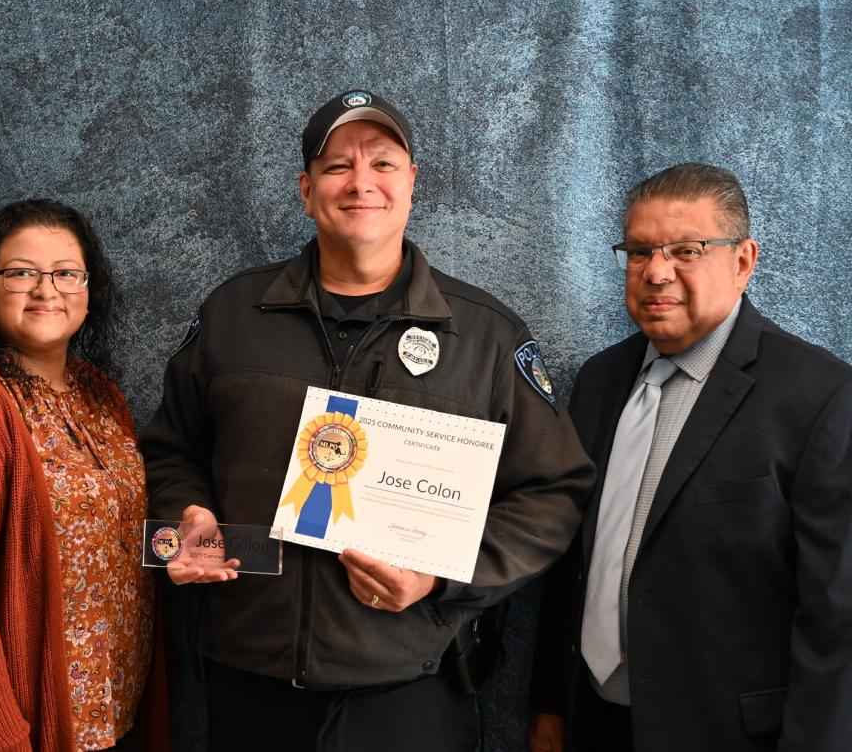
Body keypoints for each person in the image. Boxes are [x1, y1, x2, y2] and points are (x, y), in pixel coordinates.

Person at [141, 88, 595, 752]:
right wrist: (190, 512)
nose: (361, 183)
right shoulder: (232, 315)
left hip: (412, 692)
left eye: (383, 164)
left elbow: (554, 493)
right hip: (252, 688)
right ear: (305, 188)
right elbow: (170, 448)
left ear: (412, 182)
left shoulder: (488, 337)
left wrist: (442, 575)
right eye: (336, 166)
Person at [528, 163, 852, 752]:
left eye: (686, 250)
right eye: (640, 251)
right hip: (594, 721)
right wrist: (552, 702)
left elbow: (839, 623)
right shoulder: (600, 381)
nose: (656, 272)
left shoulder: (822, 398)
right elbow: (572, 559)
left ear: (743, 261)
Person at [0, 199, 163, 751]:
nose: (47, 290)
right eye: (21, 273)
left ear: (89, 290)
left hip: (117, 714)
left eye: (66, 273)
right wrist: (0, 741)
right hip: (28, 728)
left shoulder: (101, 396)